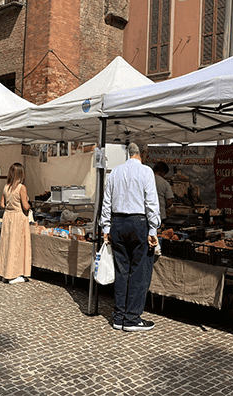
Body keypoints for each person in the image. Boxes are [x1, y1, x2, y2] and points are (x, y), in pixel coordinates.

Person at [100, 142, 161, 332]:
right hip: (138, 223)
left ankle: (119, 316)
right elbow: (151, 202)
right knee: (139, 271)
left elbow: (106, 200)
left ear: (128, 153)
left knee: (122, 270)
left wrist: (106, 227)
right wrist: (153, 229)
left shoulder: (115, 172)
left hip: (118, 223)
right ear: (143, 153)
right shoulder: (146, 172)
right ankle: (132, 318)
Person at [0, 163, 32, 284]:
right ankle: (14, 275)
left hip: (8, 217)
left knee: (7, 244)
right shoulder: (21, 187)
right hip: (18, 217)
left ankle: (3, 272)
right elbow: (25, 206)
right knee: (17, 246)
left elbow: (2, 204)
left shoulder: (6, 186)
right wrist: (29, 204)